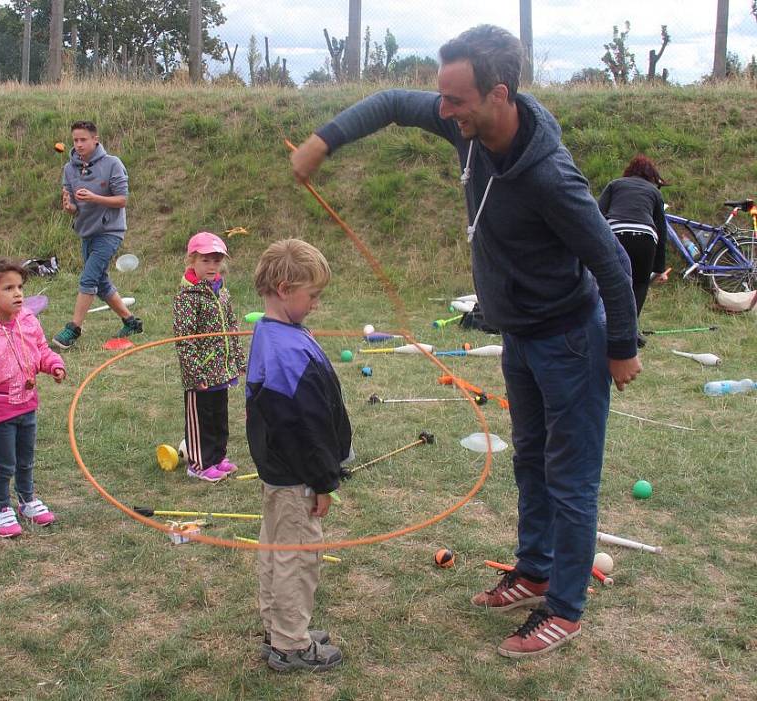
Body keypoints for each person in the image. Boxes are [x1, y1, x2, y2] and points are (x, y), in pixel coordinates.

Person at [291, 25, 642, 659]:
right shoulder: (467, 126)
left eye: (456, 101)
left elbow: (613, 262)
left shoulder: (551, 179)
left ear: (499, 94)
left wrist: (622, 345)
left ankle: (564, 607)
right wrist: (323, 141)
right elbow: (394, 103)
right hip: (523, 337)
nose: (445, 112)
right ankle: (533, 570)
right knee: (529, 461)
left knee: (570, 479)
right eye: (443, 98)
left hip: (570, 340)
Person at [246, 239, 351, 672]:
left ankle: (279, 626)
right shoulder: (288, 352)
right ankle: (291, 643)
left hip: (280, 471)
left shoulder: (275, 334)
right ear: (286, 288)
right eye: (313, 296)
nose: (315, 304)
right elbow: (304, 427)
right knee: (298, 555)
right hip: (297, 475)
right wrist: (324, 480)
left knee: (277, 548)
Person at [0, 259, 66, 538]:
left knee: (26, 460)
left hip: (27, 404)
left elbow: (40, 350)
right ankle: (0, 509)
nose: (18, 293)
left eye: (19, 287)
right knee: (5, 463)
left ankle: (27, 501)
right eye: (9, 288)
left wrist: (53, 364)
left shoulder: (28, 321)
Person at [53, 120, 142, 349]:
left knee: (89, 278)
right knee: (101, 282)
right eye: (76, 140)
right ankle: (131, 322)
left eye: (84, 139)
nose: (79, 144)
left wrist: (94, 198)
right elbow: (72, 206)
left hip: (110, 231)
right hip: (86, 231)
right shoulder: (69, 169)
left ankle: (73, 329)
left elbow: (122, 200)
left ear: (96, 140)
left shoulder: (112, 164)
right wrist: (69, 206)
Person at [172, 232, 246, 482]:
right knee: (200, 418)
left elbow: (232, 327)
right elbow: (185, 340)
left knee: (218, 416)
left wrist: (238, 360)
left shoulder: (221, 292)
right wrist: (195, 374)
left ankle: (217, 456)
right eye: (205, 261)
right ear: (191, 261)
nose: (212, 266)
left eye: (216, 260)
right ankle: (198, 463)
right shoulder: (188, 297)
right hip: (200, 373)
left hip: (221, 369)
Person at [598, 155, 669, 348]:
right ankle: (630, 332)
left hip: (616, 234)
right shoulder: (654, 192)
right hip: (645, 238)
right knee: (639, 283)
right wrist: (659, 267)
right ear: (651, 177)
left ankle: (602, 326)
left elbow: (596, 214)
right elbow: (661, 230)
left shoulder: (615, 185)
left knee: (608, 281)